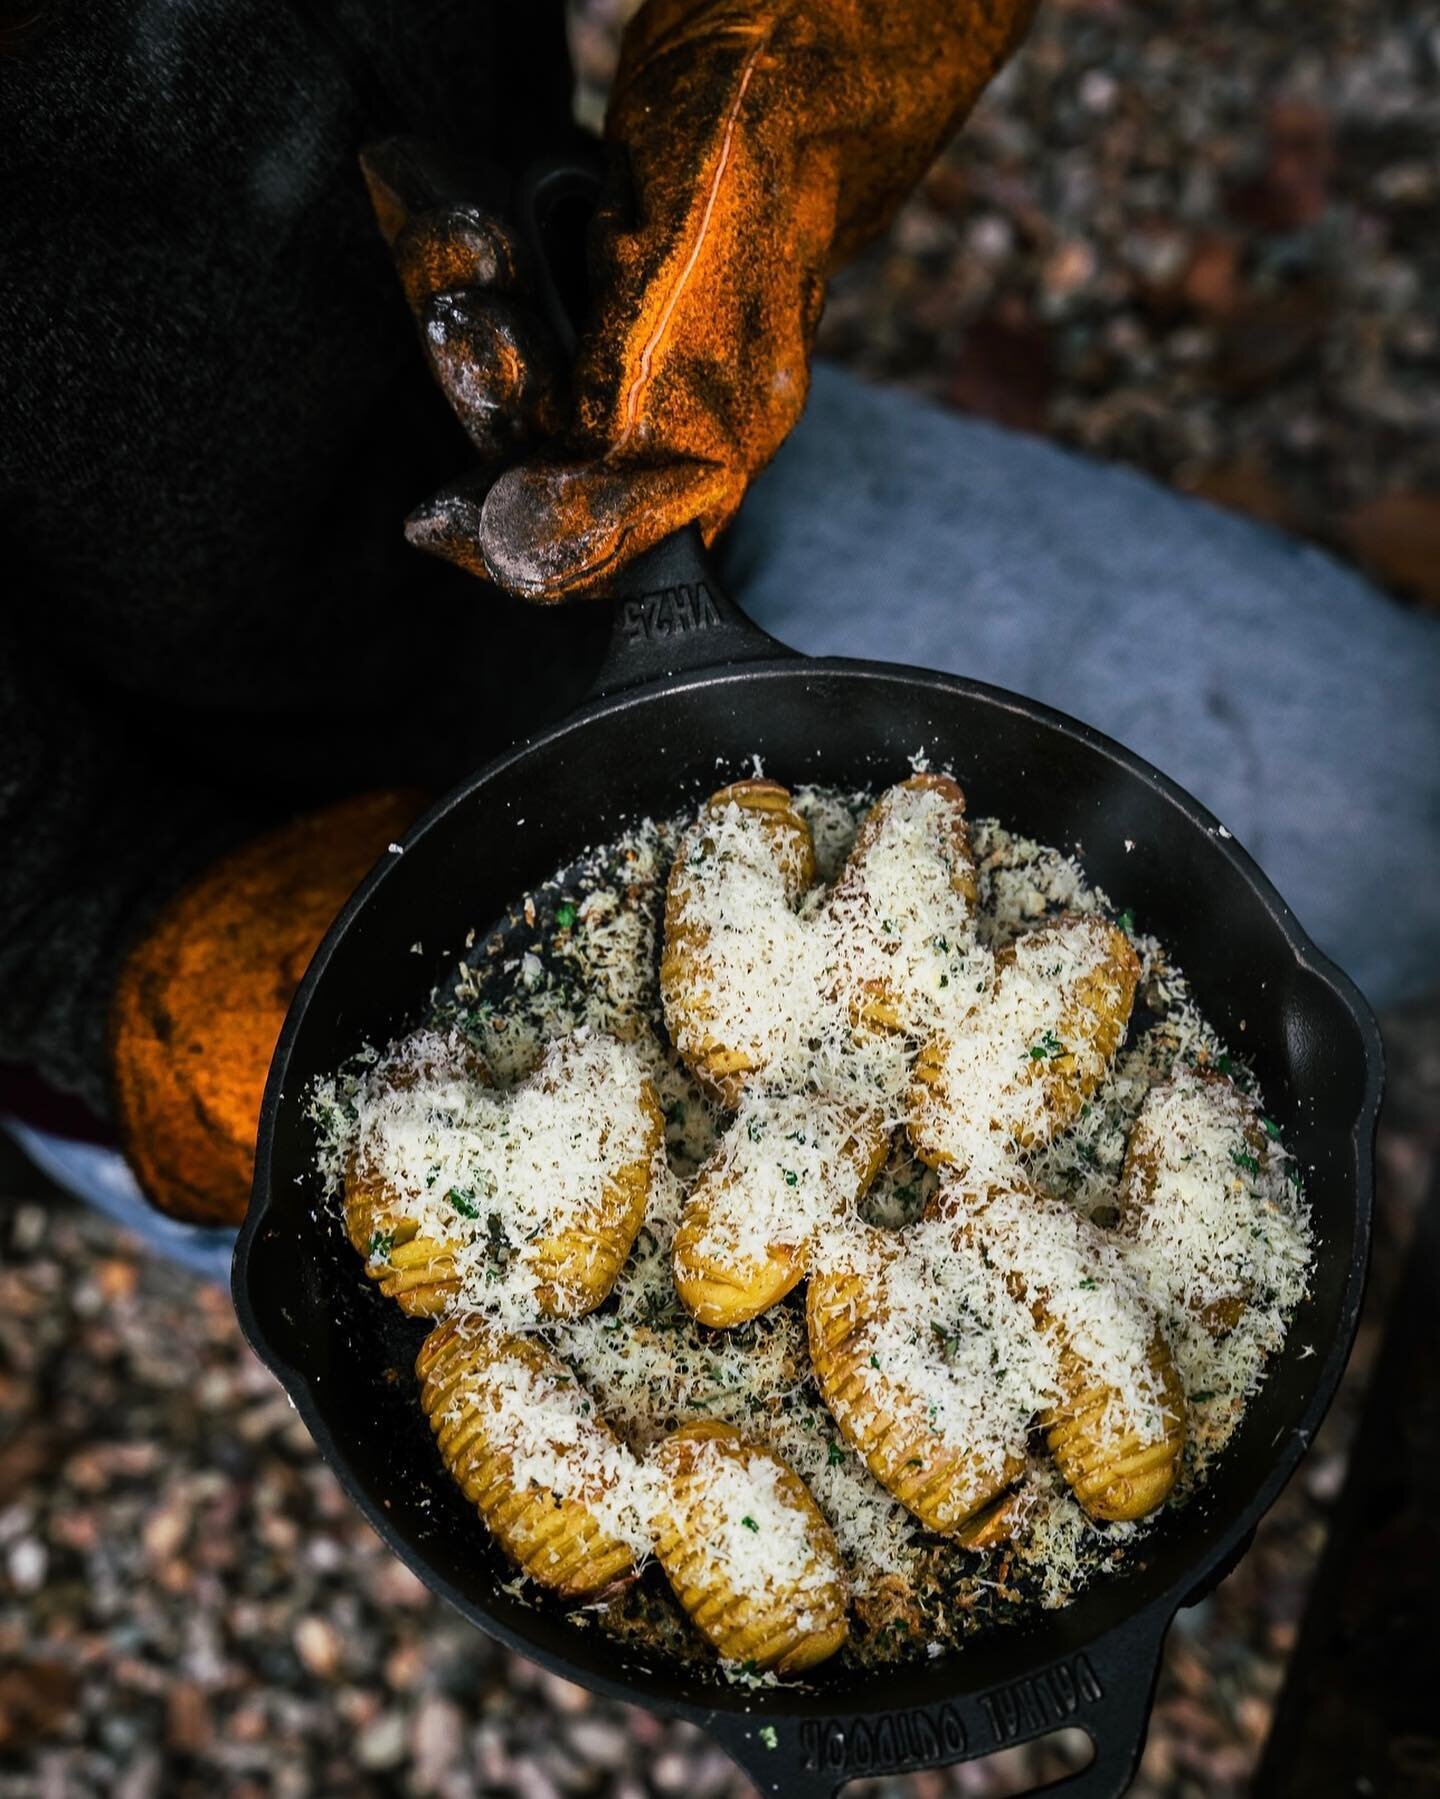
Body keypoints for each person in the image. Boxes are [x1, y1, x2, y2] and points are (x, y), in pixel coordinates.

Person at [3, 0, 1437, 1280]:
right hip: (186, 825)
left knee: (1402, 805)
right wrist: (104, 941)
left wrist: (788, 57)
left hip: (645, 452)